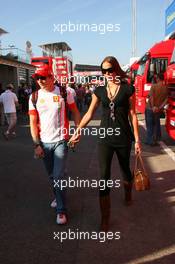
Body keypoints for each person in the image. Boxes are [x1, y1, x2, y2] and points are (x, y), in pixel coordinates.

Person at [69, 56, 141, 232]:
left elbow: (132, 115)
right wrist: (78, 130)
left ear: (116, 69)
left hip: (124, 138)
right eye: (104, 71)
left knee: (125, 170)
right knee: (103, 178)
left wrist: (138, 140)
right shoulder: (99, 91)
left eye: (110, 70)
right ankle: (105, 219)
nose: (107, 74)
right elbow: (89, 113)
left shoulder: (128, 89)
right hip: (105, 139)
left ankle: (127, 193)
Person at [28, 64, 80, 225]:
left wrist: (78, 131)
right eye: (37, 78)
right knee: (53, 176)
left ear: (51, 77)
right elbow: (32, 122)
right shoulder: (34, 97)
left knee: (57, 175)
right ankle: (58, 196)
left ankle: (61, 211)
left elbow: (76, 112)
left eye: (43, 77)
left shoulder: (65, 92)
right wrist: (36, 144)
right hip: (44, 143)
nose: (40, 81)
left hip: (61, 141)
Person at [145, 73, 168, 146]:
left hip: (150, 108)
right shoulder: (166, 88)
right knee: (156, 124)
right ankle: (157, 138)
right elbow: (166, 100)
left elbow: (151, 97)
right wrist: (159, 107)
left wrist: (153, 107)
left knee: (150, 125)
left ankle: (150, 141)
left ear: (157, 78)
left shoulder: (154, 86)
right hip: (158, 109)